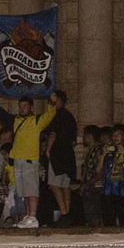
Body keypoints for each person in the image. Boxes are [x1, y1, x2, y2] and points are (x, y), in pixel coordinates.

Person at [0, 94, 54, 229]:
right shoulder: (16, 120)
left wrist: (51, 103)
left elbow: (49, 116)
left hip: (30, 160)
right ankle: (27, 216)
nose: (22, 108)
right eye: (20, 106)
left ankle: (33, 216)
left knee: (31, 190)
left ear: (31, 107)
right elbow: (3, 116)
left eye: (25, 106)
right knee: (23, 192)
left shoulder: (36, 121)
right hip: (18, 160)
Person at [43, 90, 78, 224]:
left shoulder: (56, 115)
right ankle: (67, 212)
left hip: (57, 153)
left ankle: (63, 212)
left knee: (54, 184)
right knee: (65, 185)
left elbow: (53, 134)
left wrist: (48, 150)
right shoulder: (70, 116)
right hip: (68, 153)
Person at [100, 124, 124, 226]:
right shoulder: (108, 152)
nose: (115, 137)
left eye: (118, 134)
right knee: (108, 222)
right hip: (108, 192)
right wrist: (103, 155)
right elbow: (98, 170)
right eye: (114, 134)